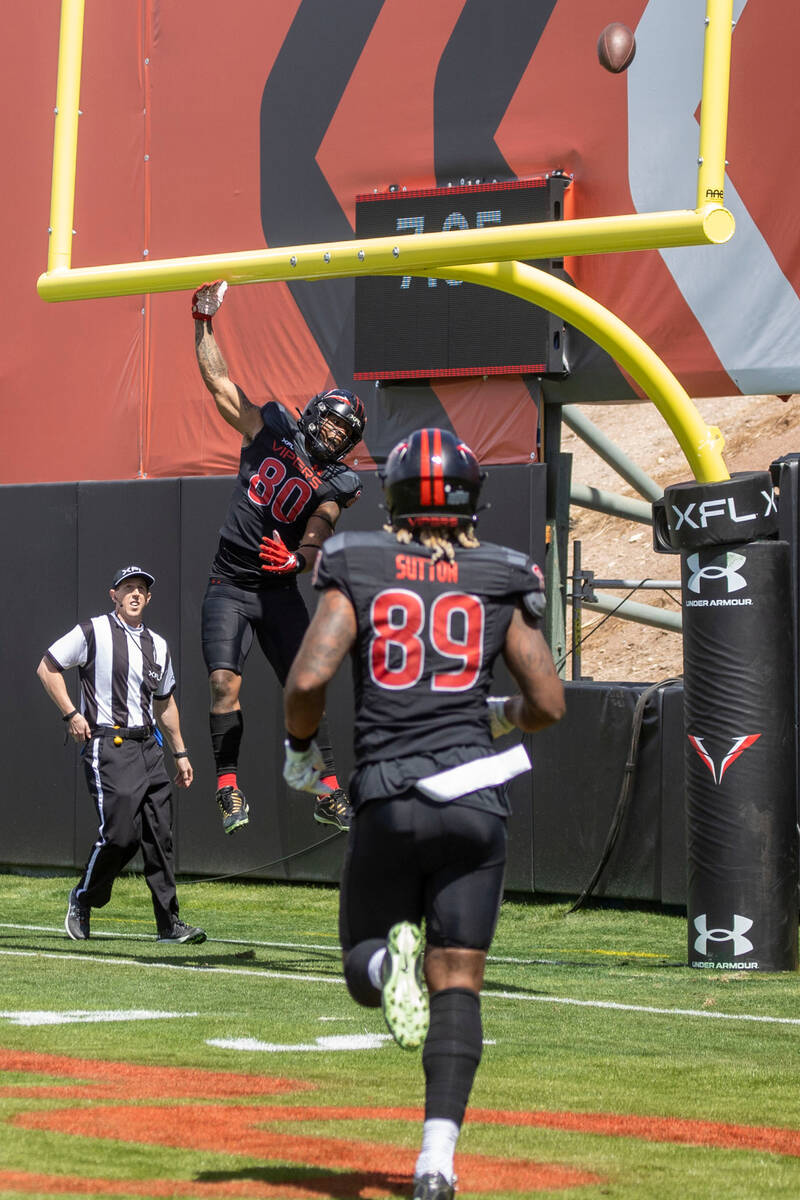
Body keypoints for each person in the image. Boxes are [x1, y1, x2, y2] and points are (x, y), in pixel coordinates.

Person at [282, 428, 566, 1200]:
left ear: (394, 496)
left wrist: (300, 750)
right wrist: (494, 713)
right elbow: (547, 702)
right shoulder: (500, 573)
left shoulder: (360, 562)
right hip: (477, 803)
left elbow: (308, 679)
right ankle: (435, 1162)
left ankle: (385, 966)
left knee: (361, 964)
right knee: (461, 985)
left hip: (393, 796)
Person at [192, 280, 366, 836]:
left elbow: (323, 519)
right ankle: (227, 789)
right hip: (229, 583)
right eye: (333, 421)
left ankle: (328, 792)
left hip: (277, 588)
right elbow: (220, 385)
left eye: (345, 432)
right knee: (224, 682)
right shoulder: (270, 427)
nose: (335, 434)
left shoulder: (339, 478)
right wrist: (202, 323)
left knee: (307, 685)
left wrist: (302, 557)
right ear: (315, 413)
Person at [36, 566, 206, 945]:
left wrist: (180, 753)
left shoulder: (158, 645)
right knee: (120, 836)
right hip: (109, 745)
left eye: (141, 590)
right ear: (113, 595)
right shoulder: (92, 631)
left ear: (148, 599)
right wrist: (71, 713)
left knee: (159, 837)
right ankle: (83, 897)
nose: (134, 594)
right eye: (127, 588)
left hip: (150, 748)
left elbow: (165, 703)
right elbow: (47, 667)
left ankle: (169, 924)